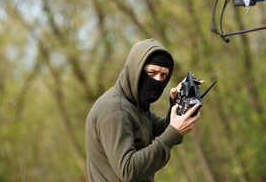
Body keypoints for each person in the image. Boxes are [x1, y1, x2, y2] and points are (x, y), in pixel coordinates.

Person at [85, 38, 201, 182]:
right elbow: (128, 170)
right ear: (136, 70)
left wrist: (179, 103)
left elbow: (166, 130)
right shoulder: (115, 110)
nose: (158, 81)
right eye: (152, 73)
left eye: (164, 75)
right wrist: (173, 132)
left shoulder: (136, 105)